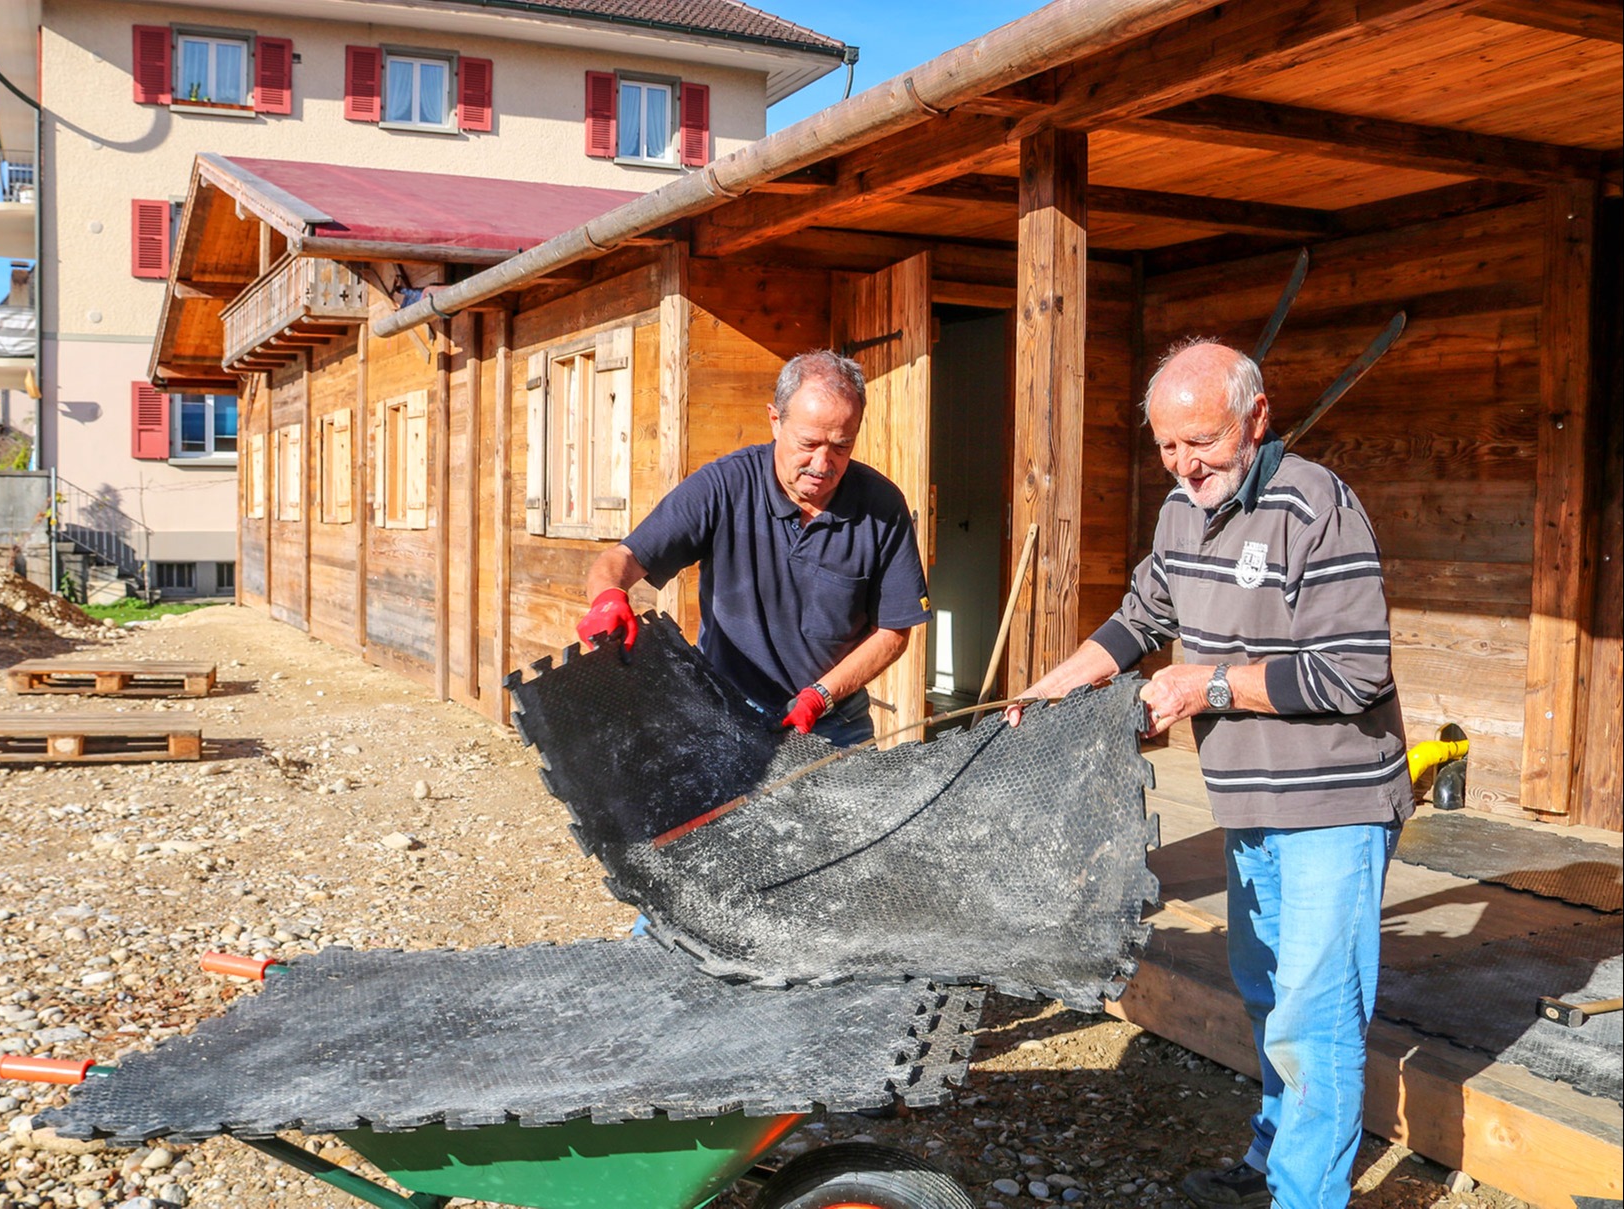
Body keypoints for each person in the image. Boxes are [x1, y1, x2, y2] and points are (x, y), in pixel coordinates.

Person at [1007, 339, 1408, 1209]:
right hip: (1249, 798)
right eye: (1166, 447)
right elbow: (1143, 612)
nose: (1184, 465)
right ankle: (1271, 1160)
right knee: (1268, 994)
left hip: (1334, 801)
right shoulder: (1181, 512)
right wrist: (1059, 681)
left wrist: (1206, 684)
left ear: (1256, 419)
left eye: (1202, 442)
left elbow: (1353, 671)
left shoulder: (1317, 507)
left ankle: (1306, 1195)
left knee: (1315, 1019)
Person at [575, 349, 931, 747]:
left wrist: (820, 697)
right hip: (722, 711)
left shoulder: (882, 507)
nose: (822, 462)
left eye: (841, 446)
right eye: (809, 442)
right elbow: (622, 558)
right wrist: (608, 599)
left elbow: (894, 633)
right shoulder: (724, 486)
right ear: (776, 421)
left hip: (833, 719)